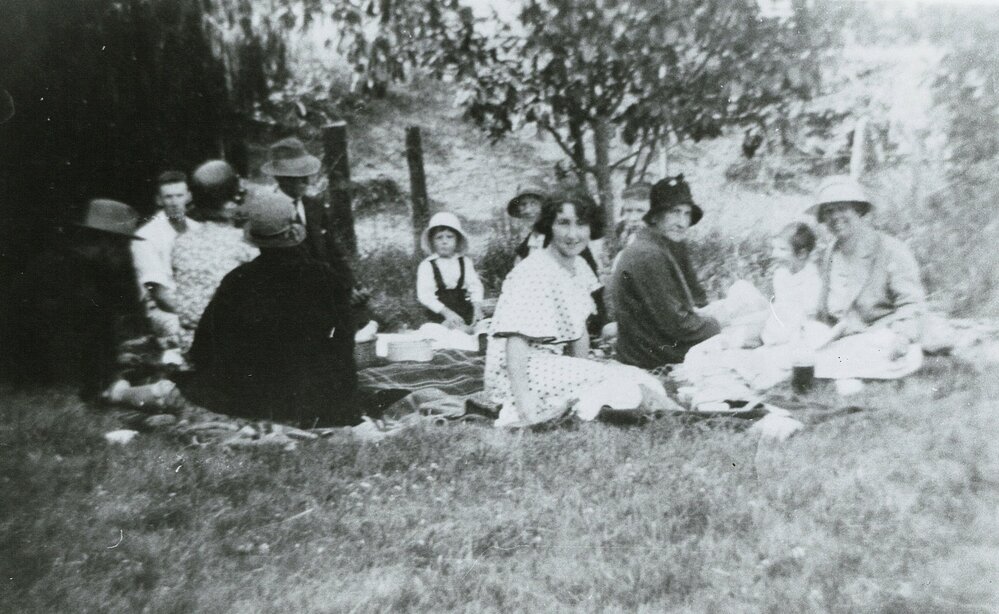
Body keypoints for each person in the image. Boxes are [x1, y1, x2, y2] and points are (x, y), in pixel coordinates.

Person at [485, 191, 669, 427]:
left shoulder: (579, 266)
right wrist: (525, 409)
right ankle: (682, 418)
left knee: (646, 381)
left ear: (591, 227)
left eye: (581, 224)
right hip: (518, 372)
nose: (573, 234)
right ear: (549, 225)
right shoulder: (534, 270)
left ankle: (586, 409)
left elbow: (578, 330)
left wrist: (582, 369)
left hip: (550, 364)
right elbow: (515, 343)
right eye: (563, 223)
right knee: (624, 385)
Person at [188, 193, 360, 427]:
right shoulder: (326, 278)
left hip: (254, 400)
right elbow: (344, 344)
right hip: (318, 400)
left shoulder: (237, 281)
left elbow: (202, 348)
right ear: (294, 232)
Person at [5, 199, 147, 401]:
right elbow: (57, 339)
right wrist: (102, 374)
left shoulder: (93, 271)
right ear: (107, 243)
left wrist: (114, 359)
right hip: (41, 374)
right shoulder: (59, 271)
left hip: (60, 366)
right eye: (123, 245)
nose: (125, 254)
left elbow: (94, 333)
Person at [806, 175, 925, 377]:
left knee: (896, 353)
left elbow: (911, 303)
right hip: (840, 338)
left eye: (842, 209)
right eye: (829, 211)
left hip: (878, 335)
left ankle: (836, 368)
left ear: (858, 210)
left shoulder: (890, 249)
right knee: (803, 351)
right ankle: (833, 367)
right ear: (823, 219)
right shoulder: (830, 253)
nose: (835, 218)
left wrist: (903, 337)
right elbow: (825, 312)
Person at [611, 174, 721, 369]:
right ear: (654, 216)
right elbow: (677, 325)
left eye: (686, 214)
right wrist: (718, 325)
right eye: (675, 212)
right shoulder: (648, 254)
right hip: (649, 357)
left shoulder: (662, 245)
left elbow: (693, 298)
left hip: (653, 347)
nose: (682, 222)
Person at [261, 136, 368, 315]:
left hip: (326, 291)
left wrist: (352, 286)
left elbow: (333, 253)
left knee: (370, 324)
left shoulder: (314, 206)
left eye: (306, 174)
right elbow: (283, 269)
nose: (305, 181)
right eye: (296, 175)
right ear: (280, 177)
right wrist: (338, 291)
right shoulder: (267, 211)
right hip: (291, 298)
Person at [172, 160, 258, 351]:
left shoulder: (181, 242)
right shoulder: (243, 244)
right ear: (232, 198)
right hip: (231, 343)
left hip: (192, 344)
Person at [131, 171, 198, 342]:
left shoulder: (199, 229)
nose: (175, 202)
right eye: (168, 197)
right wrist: (198, 317)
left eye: (179, 196)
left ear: (189, 196)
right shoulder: (145, 236)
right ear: (158, 200)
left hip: (199, 302)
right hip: (164, 311)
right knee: (186, 331)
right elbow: (160, 295)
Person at [416, 211, 484, 329]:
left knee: (481, 329)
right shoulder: (427, 265)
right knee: (439, 333)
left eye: (449, 237)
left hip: (464, 309)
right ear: (432, 241)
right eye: (439, 238)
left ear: (457, 240)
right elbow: (425, 296)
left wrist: (477, 309)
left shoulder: (464, 262)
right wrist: (447, 313)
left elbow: (476, 287)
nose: (444, 241)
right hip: (440, 312)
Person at [760, 222, 823, 347]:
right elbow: (778, 307)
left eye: (782, 249)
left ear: (802, 254)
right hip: (777, 327)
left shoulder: (812, 280)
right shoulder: (781, 274)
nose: (774, 254)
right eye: (774, 249)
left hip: (796, 330)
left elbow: (808, 318)